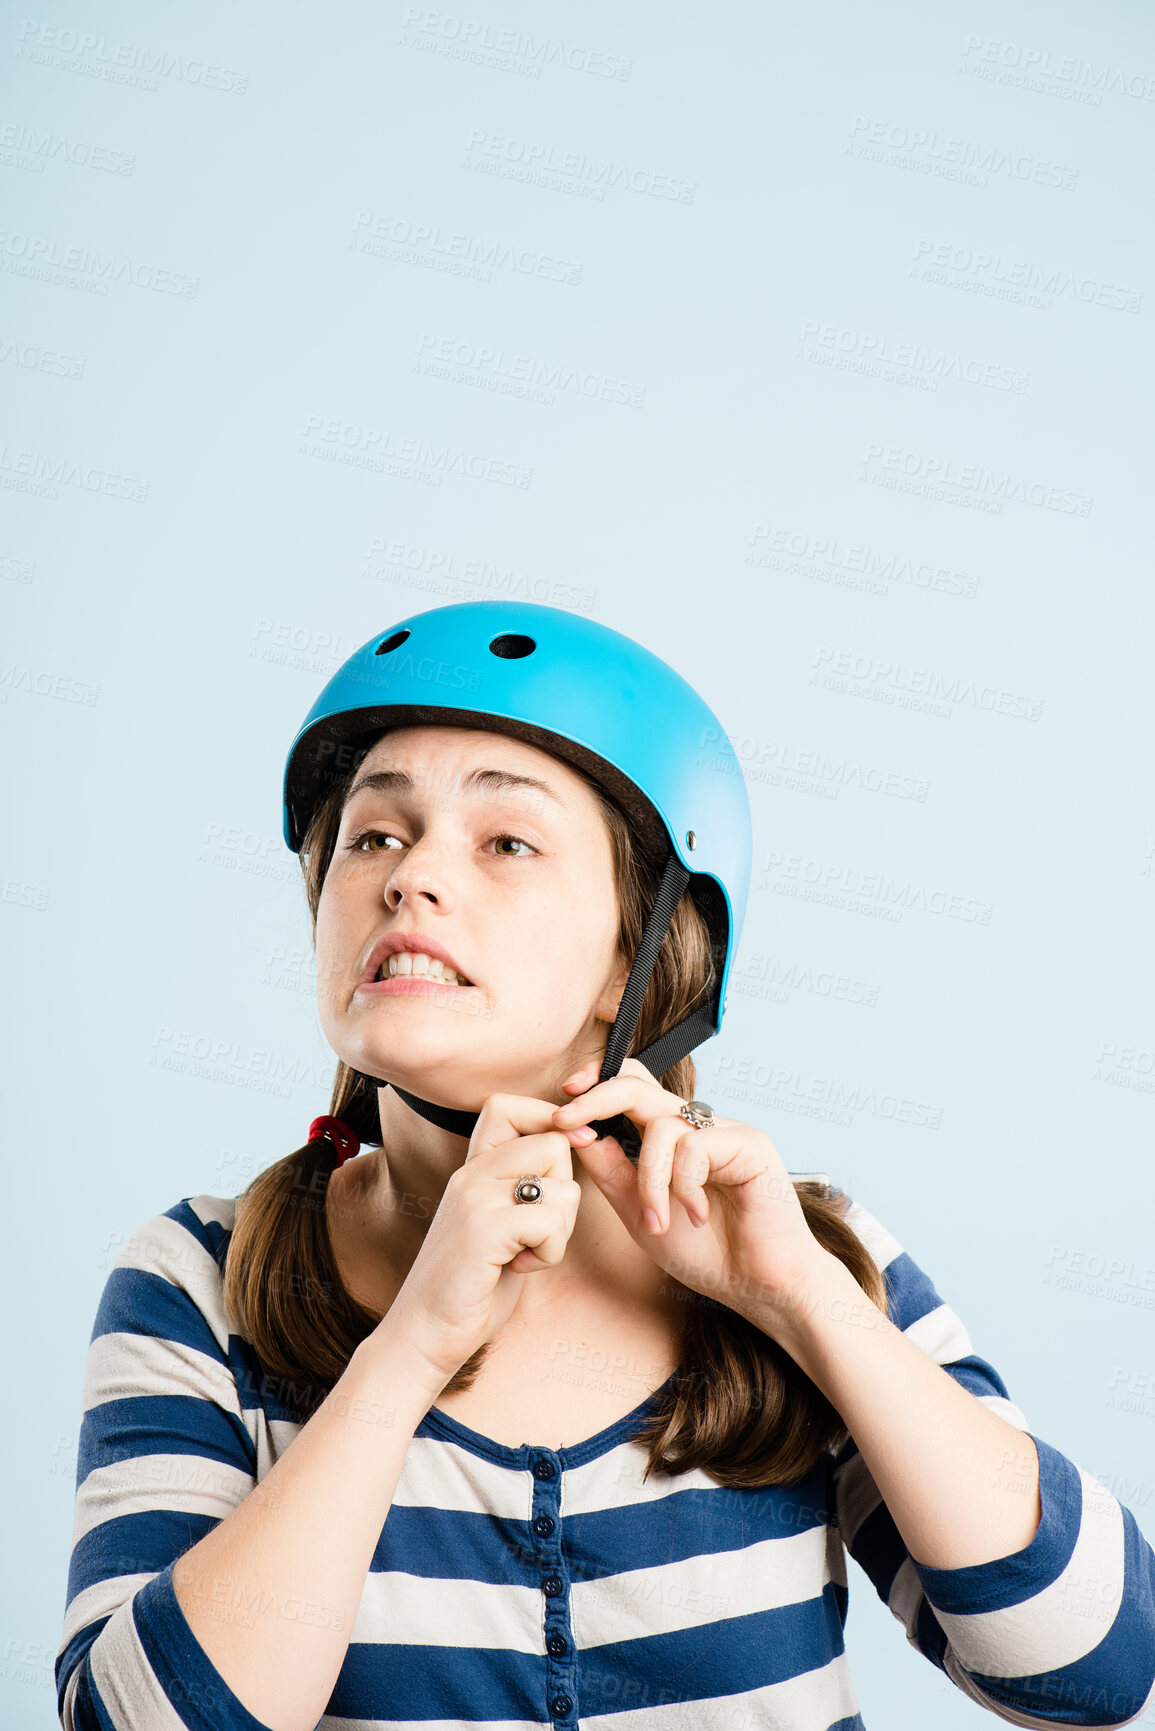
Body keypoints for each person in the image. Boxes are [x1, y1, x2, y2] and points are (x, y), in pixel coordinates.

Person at [57, 601, 1154, 1731]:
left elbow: (1097, 1672)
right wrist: (411, 1349)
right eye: (375, 835)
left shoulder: (809, 1256)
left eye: (506, 843)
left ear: (639, 949)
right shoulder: (200, 1278)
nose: (408, 878)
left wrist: (804, 1305)